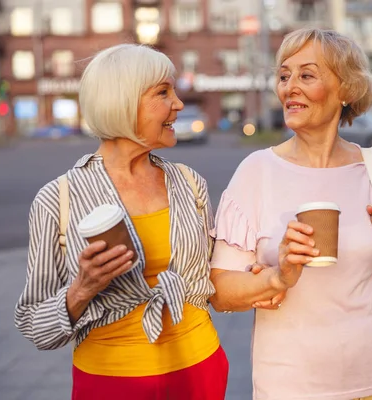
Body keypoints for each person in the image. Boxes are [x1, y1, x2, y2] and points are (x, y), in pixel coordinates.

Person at [209, 28, 372, 400]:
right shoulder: (257, 172)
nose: (289, 87)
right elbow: (220, 291)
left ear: (346, 89)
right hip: (294, 385)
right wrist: (280, 276)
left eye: (306, 75)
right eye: (284, 75)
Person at [14, 44, 236, 399]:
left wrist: (273, 269)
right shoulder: (57, 200)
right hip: (110, 382)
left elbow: (216, 280)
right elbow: (34, 324)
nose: (178, 104)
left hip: (200, 367)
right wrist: (81, 289)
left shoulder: (190, 182)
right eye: (163, 93)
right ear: (123, 102)